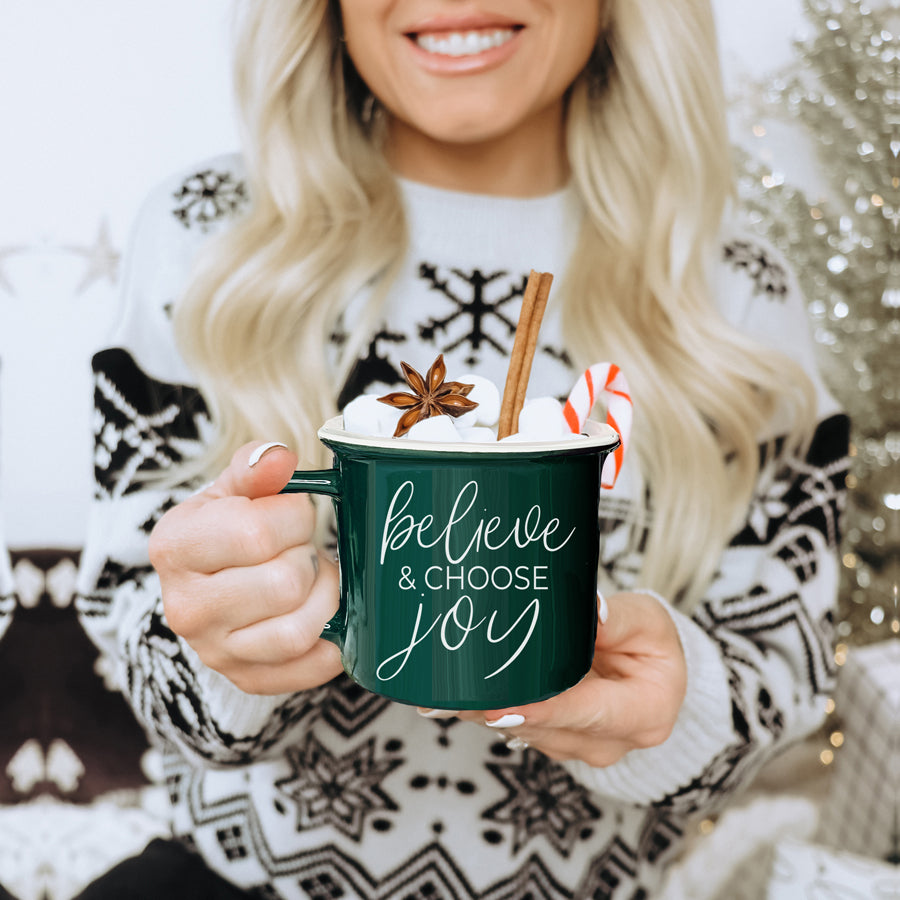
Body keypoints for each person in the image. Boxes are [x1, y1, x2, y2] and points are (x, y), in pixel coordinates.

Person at [74, 0, 850, 897]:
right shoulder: (208, 236)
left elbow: (784, 671)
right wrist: (230, 652)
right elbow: (138, 629)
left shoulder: (735, 292)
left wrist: (667, 713)